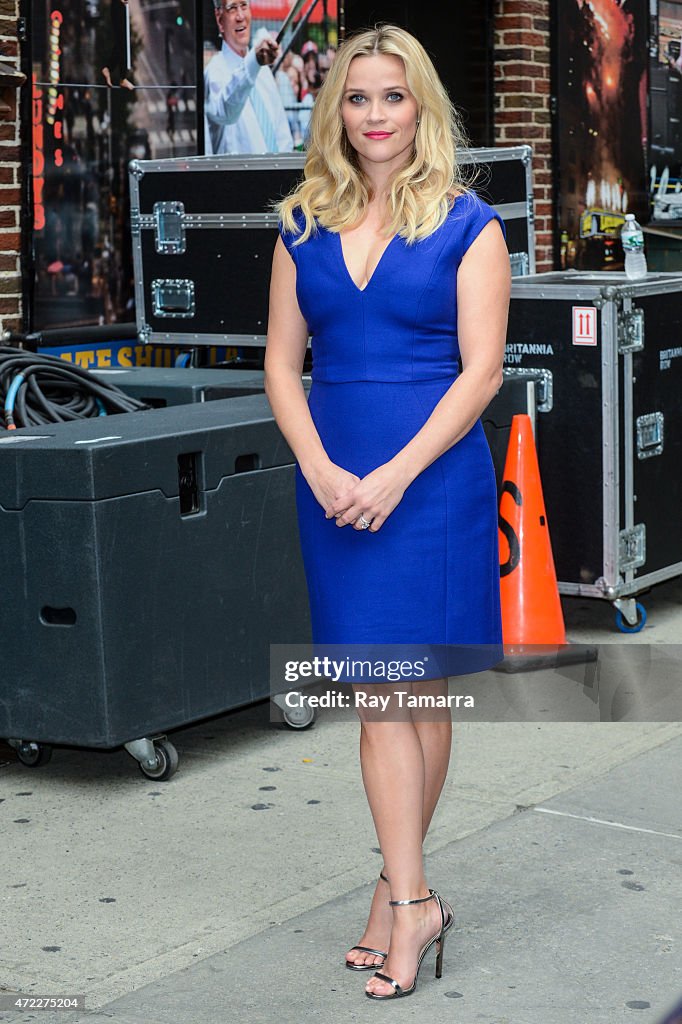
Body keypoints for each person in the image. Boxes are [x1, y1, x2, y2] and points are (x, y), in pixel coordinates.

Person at [265, 24, 510, 1001]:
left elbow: (481, 371)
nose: (374, 116)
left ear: (422, 109)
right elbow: (282, 366)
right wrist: (321, 466)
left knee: (417, 692)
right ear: (337, 110)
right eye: (358, 98)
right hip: (332, 488)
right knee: (379, 693)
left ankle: (397, 894)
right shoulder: (298, 226)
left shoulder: (465, 225)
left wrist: (396, 473)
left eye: (393, 97)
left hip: (432, 482)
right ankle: (411, 898)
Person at [204, 0, 294, 155]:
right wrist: (254, 62)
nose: (240, 16)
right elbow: (227, 112)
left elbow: (282, 135)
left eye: (244, 6)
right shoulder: (214, 71)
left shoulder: (263, 71)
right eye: (232, 8)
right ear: (220, 20)